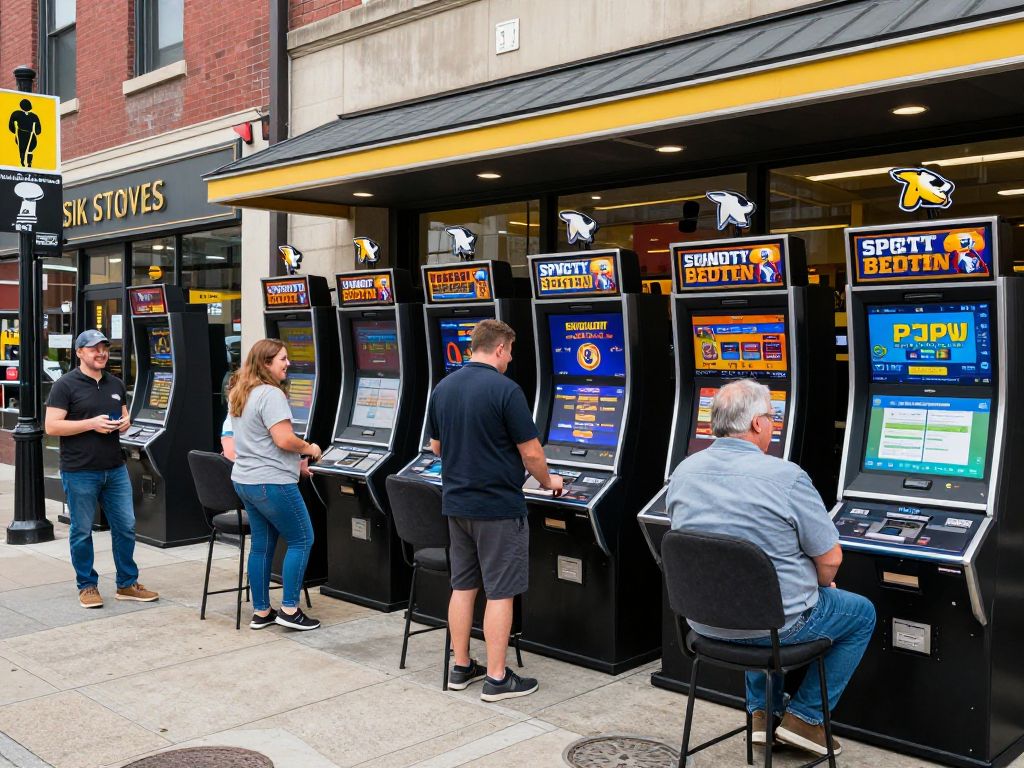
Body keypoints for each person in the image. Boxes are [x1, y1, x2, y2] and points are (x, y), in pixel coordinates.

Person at [666, 379, 875, 758]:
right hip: (771, 627)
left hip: (700, 623)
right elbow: (831, 560)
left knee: (746, 594)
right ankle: (806, 720)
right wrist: (819, 584)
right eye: (771, 418)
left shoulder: (683, 471)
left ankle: (763, 716)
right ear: (758, 425)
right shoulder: (787, 478)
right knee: (860, 613)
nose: (774, 425)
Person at [427, 319, 564, 701]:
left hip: (457, 504)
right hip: (499, 507)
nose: (510, 359)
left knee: (463, 587)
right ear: (500, 349)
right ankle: (498, 677)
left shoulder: (443, 387)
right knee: (501, 592)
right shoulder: (506, 390)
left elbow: (436, 448)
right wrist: (550, 481)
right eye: (510, 352)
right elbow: (531, 452)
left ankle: (461, 666)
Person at [44, 330, 159, 608]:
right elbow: (52, 426)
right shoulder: (65, 385)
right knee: (82, 531)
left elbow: (123, 415)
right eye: (94, 348)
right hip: (80, 470)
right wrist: (90, 423)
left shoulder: (116, 383)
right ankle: (87, 585)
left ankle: (127, 583)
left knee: (126, 527)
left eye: (104, 348)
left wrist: (125, 422)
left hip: (115, 468)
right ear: (80, 352)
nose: (101, 353)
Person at [229, 339, 322, 631]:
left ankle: (261, 611)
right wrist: (309, 449)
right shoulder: (271, 394)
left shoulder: (240, 392)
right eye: (282, 359)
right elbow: (283, 439)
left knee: (262, 546)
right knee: (302, 539)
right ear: (266, 363)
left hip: (246, 480)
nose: (288, 363)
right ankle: (290, 610)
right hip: (271, 481)